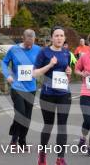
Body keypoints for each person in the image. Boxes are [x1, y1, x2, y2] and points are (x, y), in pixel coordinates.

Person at [33, 26, 72, 165]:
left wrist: (69, 73)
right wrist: (49, 65)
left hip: (64, 94)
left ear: (64, 38)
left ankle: (60, 158)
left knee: (62, 126)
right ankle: (42, 155)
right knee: (48, 125)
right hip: (48, 94)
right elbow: (35, 73)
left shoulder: (67, 53)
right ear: (51, 38)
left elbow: (66, 77)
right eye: (56, 35)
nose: (59, 38)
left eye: (61, 35)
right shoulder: (44, 52)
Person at [1, 29, 41, 149]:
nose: (30, 46)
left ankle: (22, 139)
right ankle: (14, 139)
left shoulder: (38, 49)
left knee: (27, 116)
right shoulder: (14, 49)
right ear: (23, 39)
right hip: (17, 87)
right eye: (28, 44)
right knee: (21, 113)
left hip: (31, 87)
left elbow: (45, 63)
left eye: (32, 43)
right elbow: (4, 62)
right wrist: (7, 75)